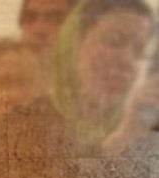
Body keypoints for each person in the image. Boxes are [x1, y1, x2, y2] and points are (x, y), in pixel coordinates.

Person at [11, 0, 154, 158]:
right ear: (74, 43)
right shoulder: (24, 125)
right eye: (113, 41)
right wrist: (123, 139)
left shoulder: (144, 125)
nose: (127, 60)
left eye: (140, 50)